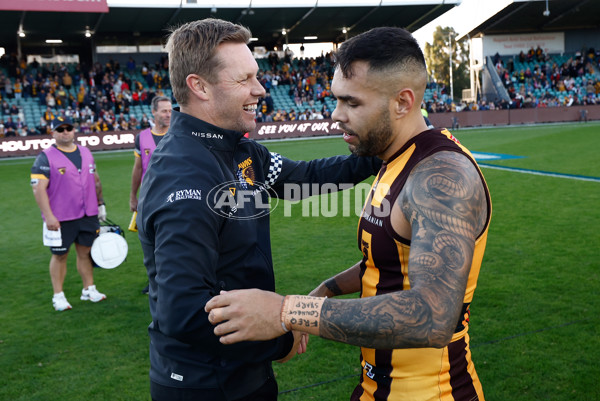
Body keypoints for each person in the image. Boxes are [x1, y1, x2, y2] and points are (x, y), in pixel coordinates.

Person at [205, 27, 492, 401]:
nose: (336, 115)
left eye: (351, 103)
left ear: (403, 102)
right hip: (377, 387)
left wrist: (287, 310)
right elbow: (389, 261)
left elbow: (431, 315)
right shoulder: (392, 160)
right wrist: (325, 289)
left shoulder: (441, 177)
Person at [136, 18, 381, 401]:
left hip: (245, 377)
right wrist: (281, 338)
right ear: (198, 86)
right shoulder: (183, 175)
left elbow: (305, 178)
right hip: (204, 385)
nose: (260, 89)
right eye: (243, 79)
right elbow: (183, 312)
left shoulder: (237, 149)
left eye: (257, 76)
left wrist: (378, 151)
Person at [30, 116, 108, 312]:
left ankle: (89, 289)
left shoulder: (85, 152)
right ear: (53, 133)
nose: (65, 132)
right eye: (60, 129)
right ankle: (58, 295)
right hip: (61, 217)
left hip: (87, 213)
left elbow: (96, 179)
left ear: (74, 130)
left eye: (68, 128)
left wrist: (100, 204)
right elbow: (38, 189)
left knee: (86, 252)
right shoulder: (45, 157)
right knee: (60, 256)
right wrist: (48, 216)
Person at [129, 95, 172, 294]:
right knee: (150, 244)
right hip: (149, 200)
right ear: (153, 112)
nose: (168, 114)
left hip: (174, 199)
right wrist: (133, 196)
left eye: (170, 110)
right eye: (164, 111)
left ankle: (172, 281)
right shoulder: (142, 137)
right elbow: (137, 169)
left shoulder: (177, 134)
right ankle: (154, 283)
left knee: (173, 242)